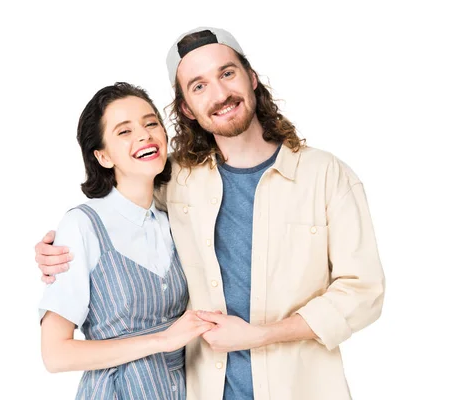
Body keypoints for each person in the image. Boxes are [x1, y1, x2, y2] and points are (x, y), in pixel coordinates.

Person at [36, 27, 385, 400]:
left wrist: (262, 334)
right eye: (198, 86)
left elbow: (363, 292)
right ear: (186, 107)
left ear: (251, 78)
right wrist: (61, 245)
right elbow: (120, 204)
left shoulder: (328, 177)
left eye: (227, 73)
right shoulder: (176, 181)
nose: (219, 94)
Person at [37, 82, 214, 400]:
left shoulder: (173, 218)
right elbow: (55, 354)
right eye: (124, 131)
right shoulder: (82, 225)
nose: (145, 135)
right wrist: (162, 341)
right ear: (103, 156)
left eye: (150, 123)